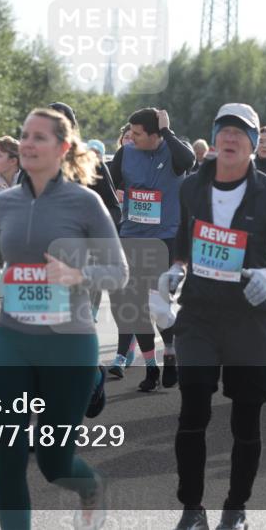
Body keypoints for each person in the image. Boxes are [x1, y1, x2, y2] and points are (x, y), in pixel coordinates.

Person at [0, 107, 128, 530]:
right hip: (12, 339)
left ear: (62, 148)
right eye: (24, 136)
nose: (28, 144)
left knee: (53, 462)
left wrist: (79, 274)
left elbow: (119, 271)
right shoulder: (5, 202)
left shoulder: (85, 202)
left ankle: (91, 487)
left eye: (39, 137)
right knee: (6, 457)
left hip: (68, 342)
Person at [163, 104, 266, 530]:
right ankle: (191, 508)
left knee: (246, 415)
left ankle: (236, 507)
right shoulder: (190, 188)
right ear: (215, 137)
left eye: (240, 133)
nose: (230, 137)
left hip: (249, 317)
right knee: (193, 410)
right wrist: (176, 267)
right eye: (224, 130)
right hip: (200, 314)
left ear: (253, 143)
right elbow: (181, 242)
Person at [108, 108, 196, 390]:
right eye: (129, 133)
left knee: (157, 306)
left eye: (136, 134)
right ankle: (150, 368)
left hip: (166, 239)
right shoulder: (125, 154)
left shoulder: (173, 152)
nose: (130, 138)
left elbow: (188, 160)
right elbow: (107, 186)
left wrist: (167, 131)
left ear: (155, 134)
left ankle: (170, 353)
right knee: (135, 308)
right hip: (131, 236)